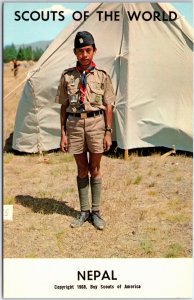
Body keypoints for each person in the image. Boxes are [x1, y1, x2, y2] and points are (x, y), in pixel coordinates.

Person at [55, 31, 116, 230]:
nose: (84, 55)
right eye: (80, 51)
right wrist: (63, 134)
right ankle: (84, 211)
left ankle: (96, 212)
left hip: (96, 124)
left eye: (88, 50)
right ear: (75, 52)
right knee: (81, 169)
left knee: (95, 169)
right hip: (73, 125)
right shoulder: (67, 76)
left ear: (94, 51)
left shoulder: (102, 76)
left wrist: (108, 131)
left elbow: (108, 106)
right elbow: (63, 106)